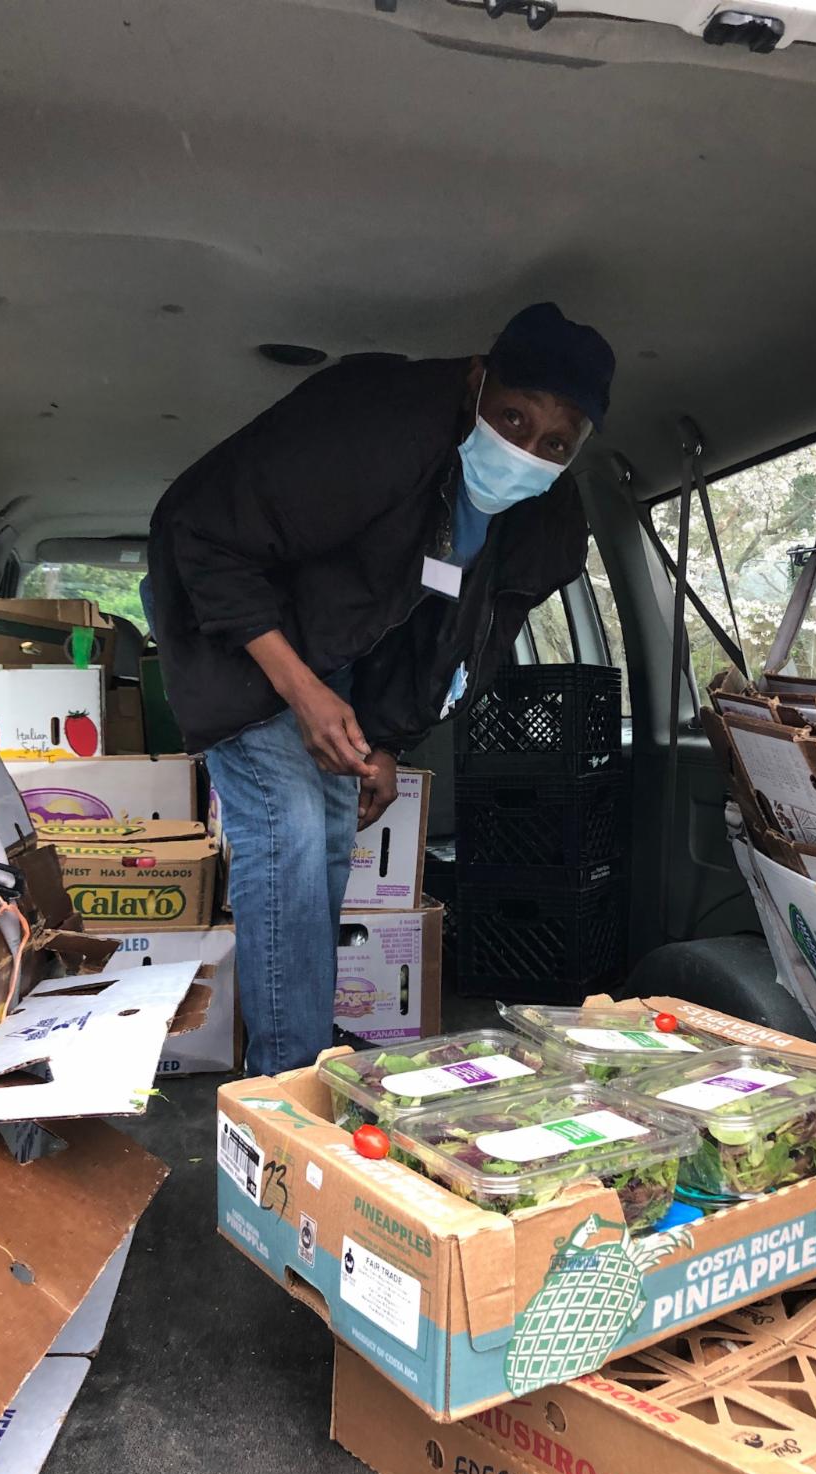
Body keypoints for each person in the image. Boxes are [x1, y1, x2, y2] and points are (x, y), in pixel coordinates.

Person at [146, 303, 615, 1074]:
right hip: (234, 624)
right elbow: (200, 533)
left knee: (333, 838)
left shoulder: (540, 521)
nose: (527, 450)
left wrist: (387, 740)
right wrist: (303, 691)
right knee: (292, 833)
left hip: (334, 645)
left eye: (555, 443)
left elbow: (447, 636)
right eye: (513, 417)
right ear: (478, 379)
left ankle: (307, 1041)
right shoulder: (378, 428)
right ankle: (289, 1081)